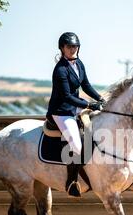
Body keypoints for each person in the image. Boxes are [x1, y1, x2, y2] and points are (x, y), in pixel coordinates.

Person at [46, 32, 106, 197]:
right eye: (69, 47)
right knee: (78, 148)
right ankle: (71, 183)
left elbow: (86, 85)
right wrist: (89, 104)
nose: (73, 49)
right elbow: (67, 97)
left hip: (74, 107)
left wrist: (101, 98)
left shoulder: (79, 63)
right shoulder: (60, 70)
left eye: (75, 46)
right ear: (62, 48)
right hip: (62, 111)